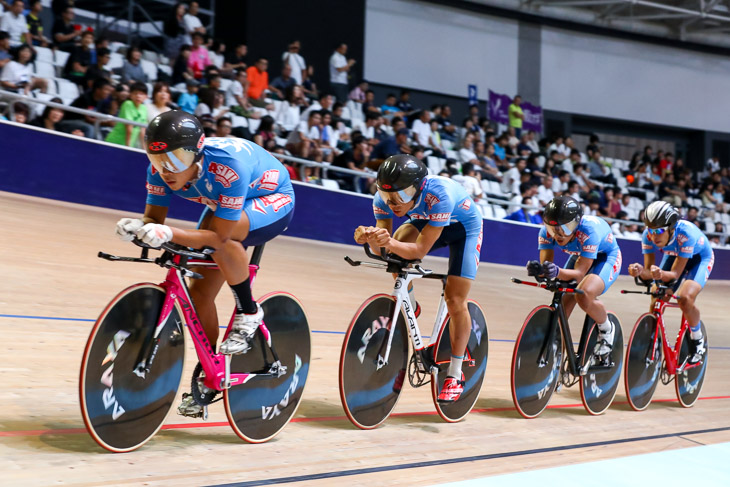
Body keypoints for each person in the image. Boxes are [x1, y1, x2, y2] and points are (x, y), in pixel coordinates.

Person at [114, 111, 294, 417]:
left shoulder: (226, 167)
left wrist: (169, 232)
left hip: (272, 197)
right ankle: (211, 375)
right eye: (158, 160)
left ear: (196, 153)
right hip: (227, 202)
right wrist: (139, 229)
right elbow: (153, 220)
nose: (166, 170)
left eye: (175, 160)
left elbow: (219, 236)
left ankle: (249, 311)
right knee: (198, 295)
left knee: (221, 240)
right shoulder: (157, 170)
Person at [354, 155, 484, 403]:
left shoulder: (439, 194)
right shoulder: (383, 198)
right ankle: (411, 304)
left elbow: (419, 251)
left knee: (455, 300)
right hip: (427, 219)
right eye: (386, 195)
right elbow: (386, 244)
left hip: (463, 229)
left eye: (401, 196)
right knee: (394, 253)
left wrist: (389, 242)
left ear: (418, 188)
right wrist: (370, 236)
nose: (393, 203)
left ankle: (455, 374)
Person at [526, 196, 622, 358]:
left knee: (584, 294)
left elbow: (578, 275)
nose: (558, 234)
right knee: (562, 306)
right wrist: (540, 271)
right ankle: (558, 363)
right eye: (552, 228)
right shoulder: (545, 232)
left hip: (606, 257)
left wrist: (555, 272)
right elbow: (548, 267)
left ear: (576, 224)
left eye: (565, 228)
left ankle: (606, 329)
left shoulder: (588, 231)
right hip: (582, 255)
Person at [627, 201, 713, 364]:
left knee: (685, 298)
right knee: (657, 295)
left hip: (699, 259)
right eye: (650, 230)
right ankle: (654, 340)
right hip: (675, 254)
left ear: (671, 228)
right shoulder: (648, 235)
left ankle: (697, 339)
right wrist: (639, 271)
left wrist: (659, 274)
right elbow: (648, 271)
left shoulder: (686, 234)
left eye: (659, 230)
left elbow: (673, 274)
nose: (653, 236)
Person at [105, 82, 148, 147]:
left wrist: (144, 149)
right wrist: (128, 148)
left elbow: (142, 131)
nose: (138, 96)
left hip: (128, 144)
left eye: (141, 94)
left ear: (146, 97)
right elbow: (129, 128)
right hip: (114, 142)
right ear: (130, 95)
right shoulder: (128, 104)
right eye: (135, 93)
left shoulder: (144, 108)